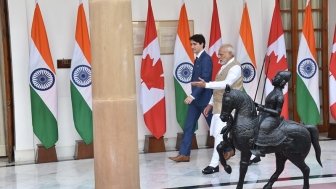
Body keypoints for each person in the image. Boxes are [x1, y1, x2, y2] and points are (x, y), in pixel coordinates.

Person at [191, 44, 243, 174]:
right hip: (219, 106)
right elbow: (217, 90)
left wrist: (205, 84)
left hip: (228, 107)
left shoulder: (235, 67)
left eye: (221, 54)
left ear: (230, 54)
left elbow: (227, 84)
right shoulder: (223, 67)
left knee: (220, 136)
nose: (218, 56)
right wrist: (210, 104)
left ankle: (214, 164)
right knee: (222, 135)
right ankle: (254, 155)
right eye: (218, 54)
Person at [169, 34, 213, 162]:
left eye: (194, 44)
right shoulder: (197, 59)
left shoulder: (206, 59)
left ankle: (228, 149)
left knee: (214, 127)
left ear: (202, 44)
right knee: (188, 126)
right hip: (195, 100)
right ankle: (184, 154)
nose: (192, 46)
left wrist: (192, 95)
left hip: (205, 100)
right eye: (191, 44)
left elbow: (205, 80)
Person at [252, 71, 291, 157]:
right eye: (275, 76)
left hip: (273, 118)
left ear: (282, 82)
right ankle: (253, 144)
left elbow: (277, 112)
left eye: (277, 77)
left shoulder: (279, 95)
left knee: (263, 126)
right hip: (266, 115)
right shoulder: (273, 92)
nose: (274, 78)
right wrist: (258, 105)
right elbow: (269, 106)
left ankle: (262, 148)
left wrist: (264, 109)